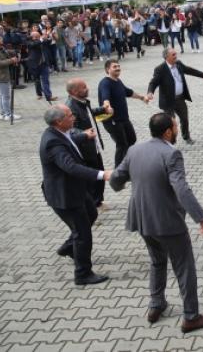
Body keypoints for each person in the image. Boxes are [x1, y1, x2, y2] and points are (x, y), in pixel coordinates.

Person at [110, 113, 203, 333]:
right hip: (166, 222)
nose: (177, 130)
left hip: (142, 220)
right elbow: (181, 189)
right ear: (168, 131)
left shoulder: (134, 150)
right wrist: (202, 219)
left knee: (157, 261)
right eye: (176, 126)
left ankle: (156, 304)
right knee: (184, 268)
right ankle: (191, 316)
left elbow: (115, 180)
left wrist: (120, 184)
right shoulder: (172, 153)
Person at [39, 105, 112, 285]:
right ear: (58, 121)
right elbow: (70, 167)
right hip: (65, 195)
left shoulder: (59, 133)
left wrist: (84, 135)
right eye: (70, 116)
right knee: (82, 234)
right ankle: (82, 274)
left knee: (92, 214)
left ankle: (68, 248)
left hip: (76, 190)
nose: (74, 118)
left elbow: (70, 141)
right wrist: (102, 174)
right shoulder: (52, 142)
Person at [66, 78, 113, 209]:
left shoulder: (82, 102)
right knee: (91, 178)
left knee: (99, 173)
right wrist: (83, 134)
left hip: (94, 146)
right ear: (74, 91)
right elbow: (70, 129)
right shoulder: (71, 107)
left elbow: (89, 113)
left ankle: (98, 201)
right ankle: (91, 205)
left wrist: (103, 109)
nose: (87, 89)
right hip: (85, 149)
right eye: (83, 87)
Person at [147, 48, 203, 146]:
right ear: (167, 57)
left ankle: (186, 136)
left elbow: (190, 70)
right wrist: (150, 92)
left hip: (180, 98)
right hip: (168, 101)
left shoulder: (178, 64)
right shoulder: (160, 69)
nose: (176, 56)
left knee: (184, 118)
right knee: (170, 123)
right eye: (173, 55)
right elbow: (153, 82)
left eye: (176, 54)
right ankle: (170, 141)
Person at [98, 59, 150, 167]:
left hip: (123, 118)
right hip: (112, 120)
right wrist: (107, 106)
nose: (118, 68)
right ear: (108, 69)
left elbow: (128, 92)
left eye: (118, 66)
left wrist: (142, 97)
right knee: (122, 144)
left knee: (132, 139)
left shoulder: (118, 81)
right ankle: (118, 172)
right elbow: (105, 97)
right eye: (114, 67)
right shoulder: (105, 83)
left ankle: (126, 163)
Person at [0, 34, 21, 121]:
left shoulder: (1, 49)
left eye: (1, 37)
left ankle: (2, 113)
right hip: (0, 76)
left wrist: (14, 54)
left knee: (2, 96)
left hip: (4, 75)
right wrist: (11, 60)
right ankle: (8, 114)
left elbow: (7, 54)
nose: (1, 39)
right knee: (6, 96)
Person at [26, 30, 56, 101]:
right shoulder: (29, 42)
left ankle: (48, 96)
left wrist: (49, 36)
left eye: (39, 36)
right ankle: (39, 94)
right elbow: (35, 44)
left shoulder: (41, 41)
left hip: (44, 63)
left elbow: (49, 42)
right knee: (37, 80)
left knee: (45, 80)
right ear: (32, 37)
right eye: (36, 36)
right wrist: (41, 39)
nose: (38, 37)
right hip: (35, 64)